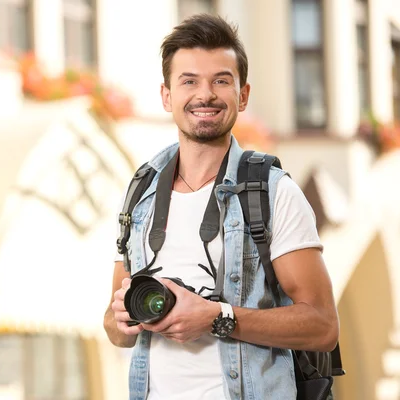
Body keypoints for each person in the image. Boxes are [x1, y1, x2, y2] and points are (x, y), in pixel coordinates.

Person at [103, 14, 339, 400]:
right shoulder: (140, 194)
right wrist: (123, 319)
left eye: (221, 80)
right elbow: (114, 327)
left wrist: (218, 317)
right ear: (167, 96)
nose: (205, 95)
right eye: (189, 81)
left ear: (242, 95)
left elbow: (323, 326)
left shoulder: (272, 193)